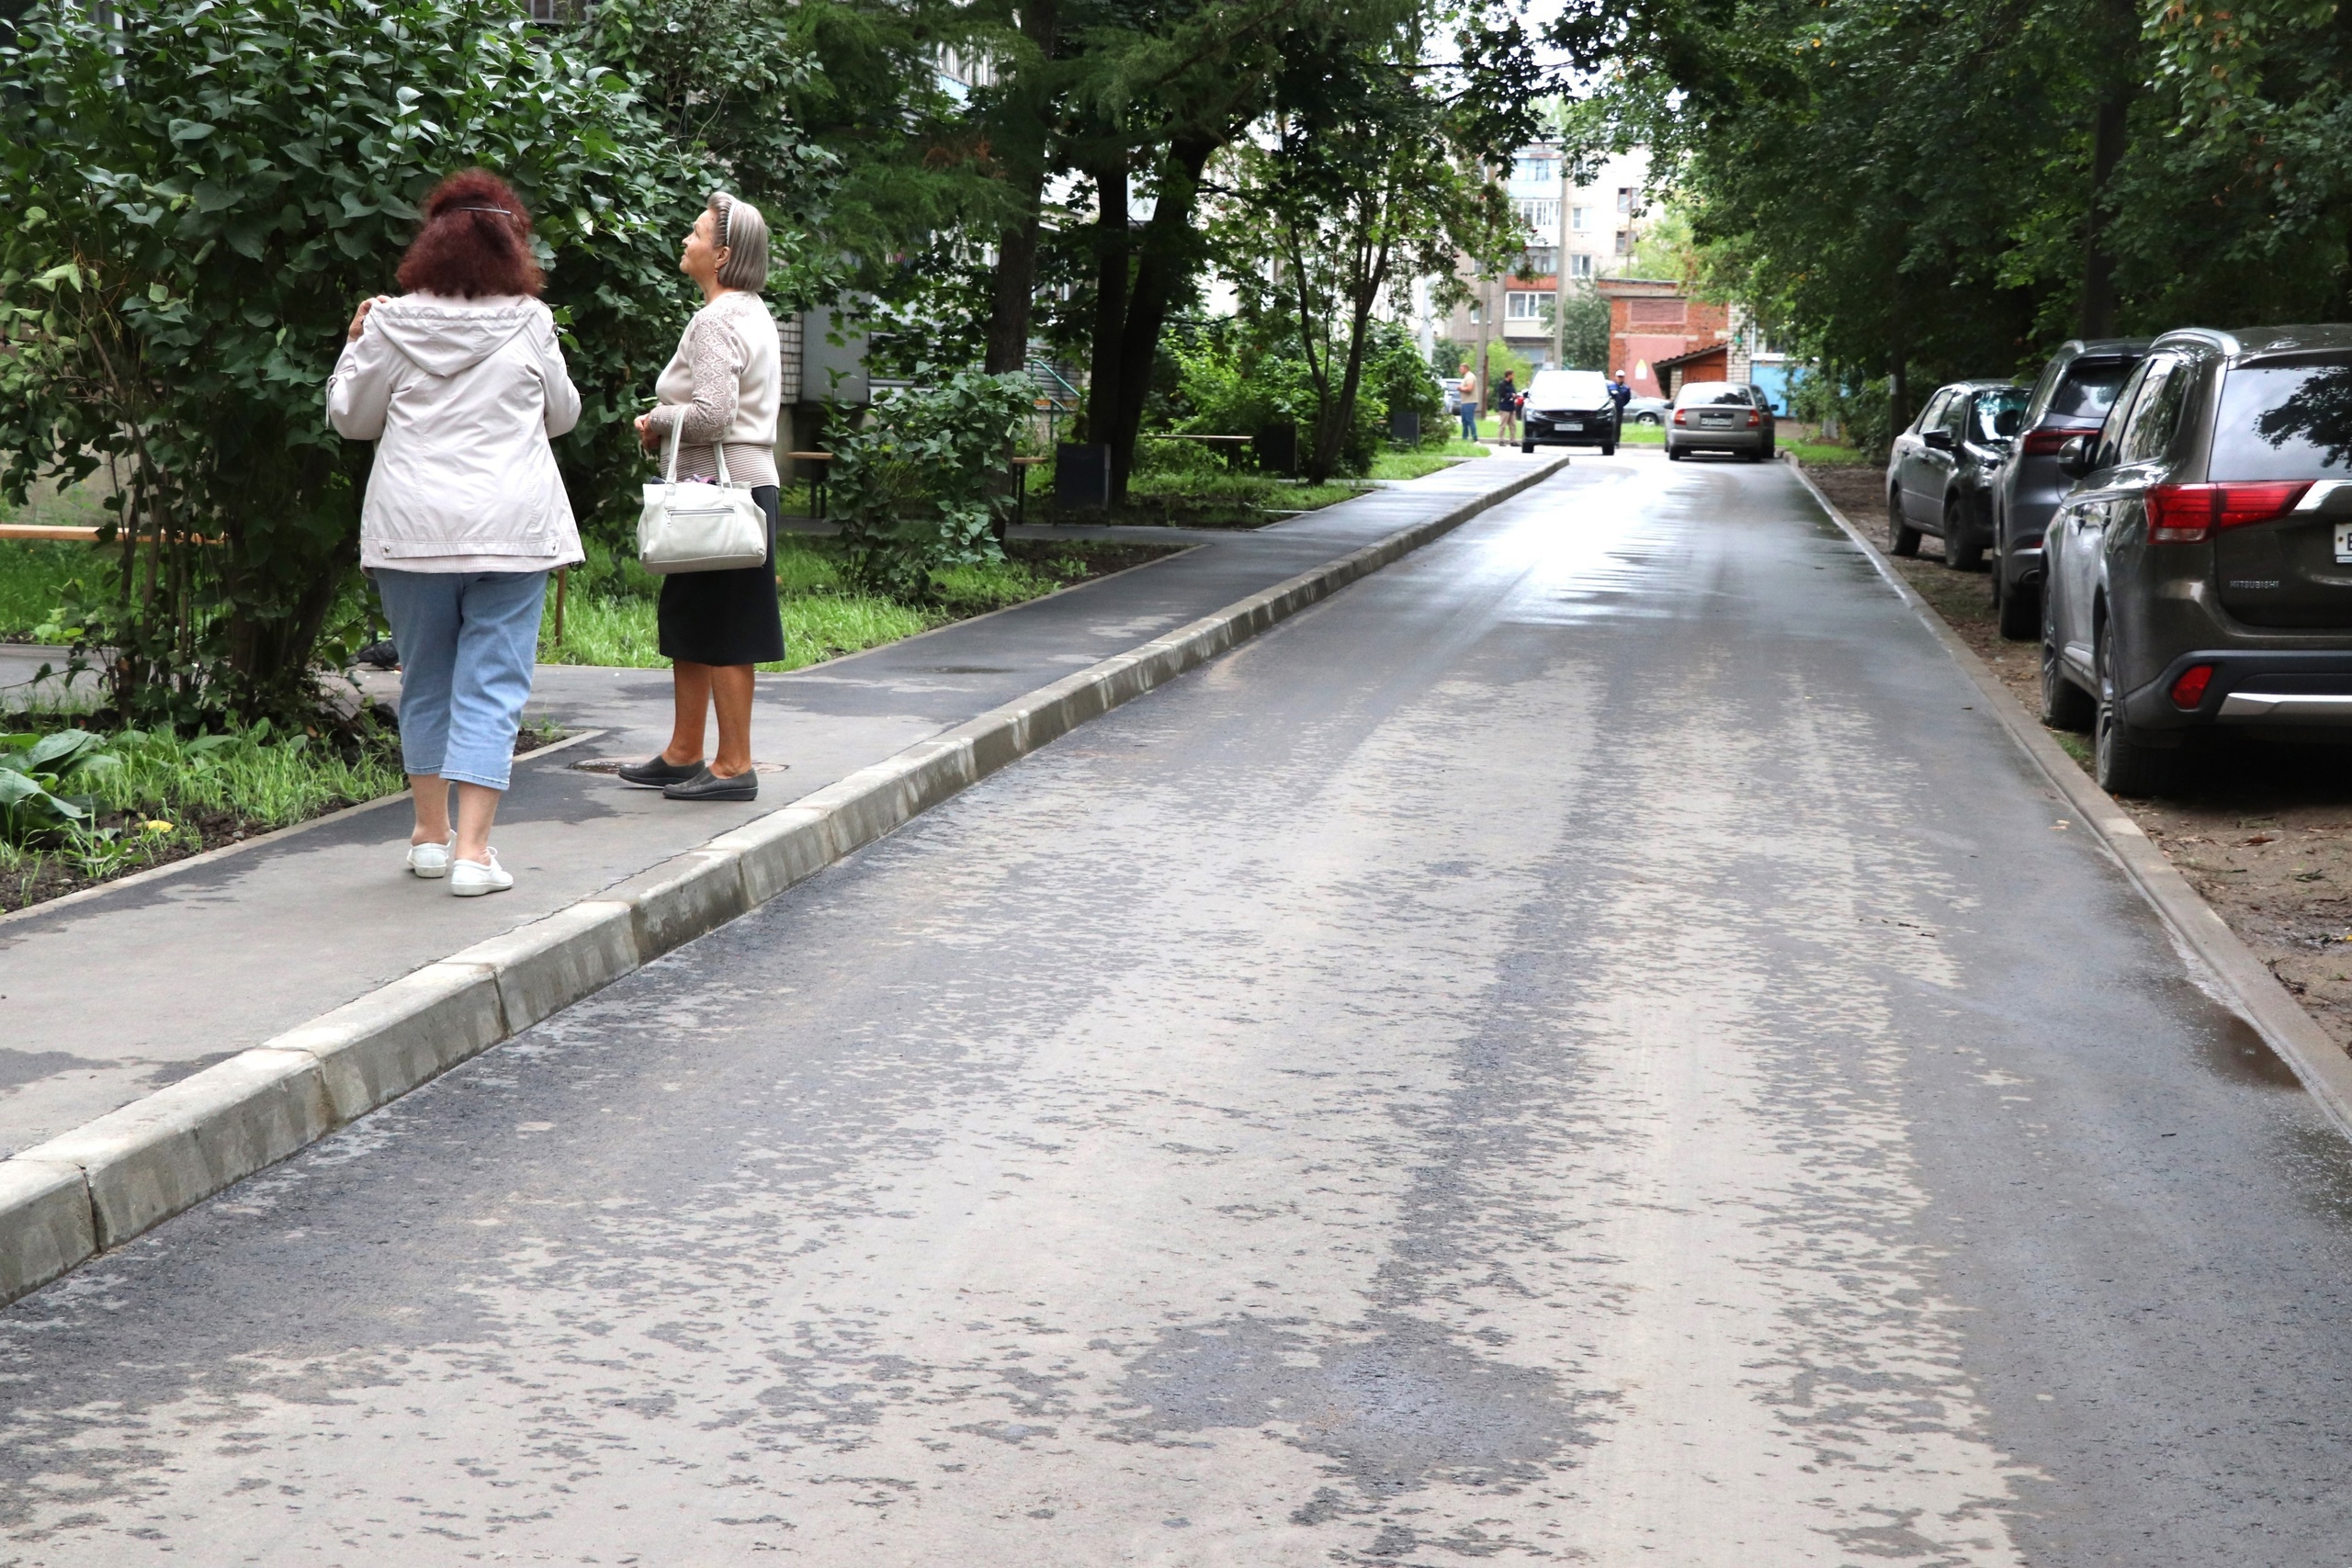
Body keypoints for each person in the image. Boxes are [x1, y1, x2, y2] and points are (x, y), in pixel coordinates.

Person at [329, 168, 582, 897]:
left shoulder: (388, 322)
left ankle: (429, 837)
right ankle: (475, 853)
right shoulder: (532, 322)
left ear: (431, 244)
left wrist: (354, 342)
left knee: (425, 677)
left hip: (413, 532)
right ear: (513, 248)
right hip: (511, 528)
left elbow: (352, 418)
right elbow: (560, 417)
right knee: (493, 684)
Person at [619, 191, 785, 803]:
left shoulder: (716, 321)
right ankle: (684, 752)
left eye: (695, 234)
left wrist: (660, 418)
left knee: (728, 628)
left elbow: (713, 415)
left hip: (721, 491)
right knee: (692, 621)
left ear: (723, 254)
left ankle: (732, 764)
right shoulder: (753, 312)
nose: (685, 242)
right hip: (734, 487)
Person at [1456, 366, 1479, 440]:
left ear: (1466, 369)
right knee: (1464, 421)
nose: (1460, 370)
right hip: (1465, 402)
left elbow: (1469, 388)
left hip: (1470, 401)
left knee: (1469, 419)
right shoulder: (1466, 377)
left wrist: (1461, 388)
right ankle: (1464, 438)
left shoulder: (1470, 376)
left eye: (1461, 369)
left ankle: (1475, 437)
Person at [1495, 371, 1520, 442]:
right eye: (1512, 375)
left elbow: (1514, 392)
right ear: (1508, 375)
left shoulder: (1511, 385)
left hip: (1511, 407)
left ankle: (1513, 440)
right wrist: (1510, 395)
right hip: (1504, 407)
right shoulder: (1502, 384)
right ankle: (1501, 440)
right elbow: (1502, 395)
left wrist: (1515, 395)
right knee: (1503, 425)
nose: (1513, 377)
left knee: (1513, 425)